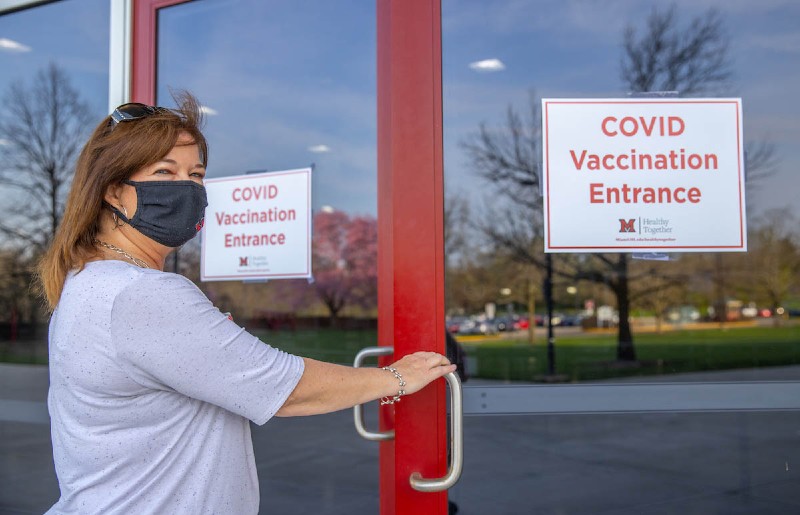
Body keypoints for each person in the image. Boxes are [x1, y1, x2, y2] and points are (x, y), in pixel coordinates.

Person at [37, 91, 456, 514]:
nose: (187, 188)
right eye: (165, 172)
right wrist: (397, 379)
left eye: (196, 175)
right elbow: (286, 390)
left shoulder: (87, 281)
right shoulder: (141, 293)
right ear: (113, 191)